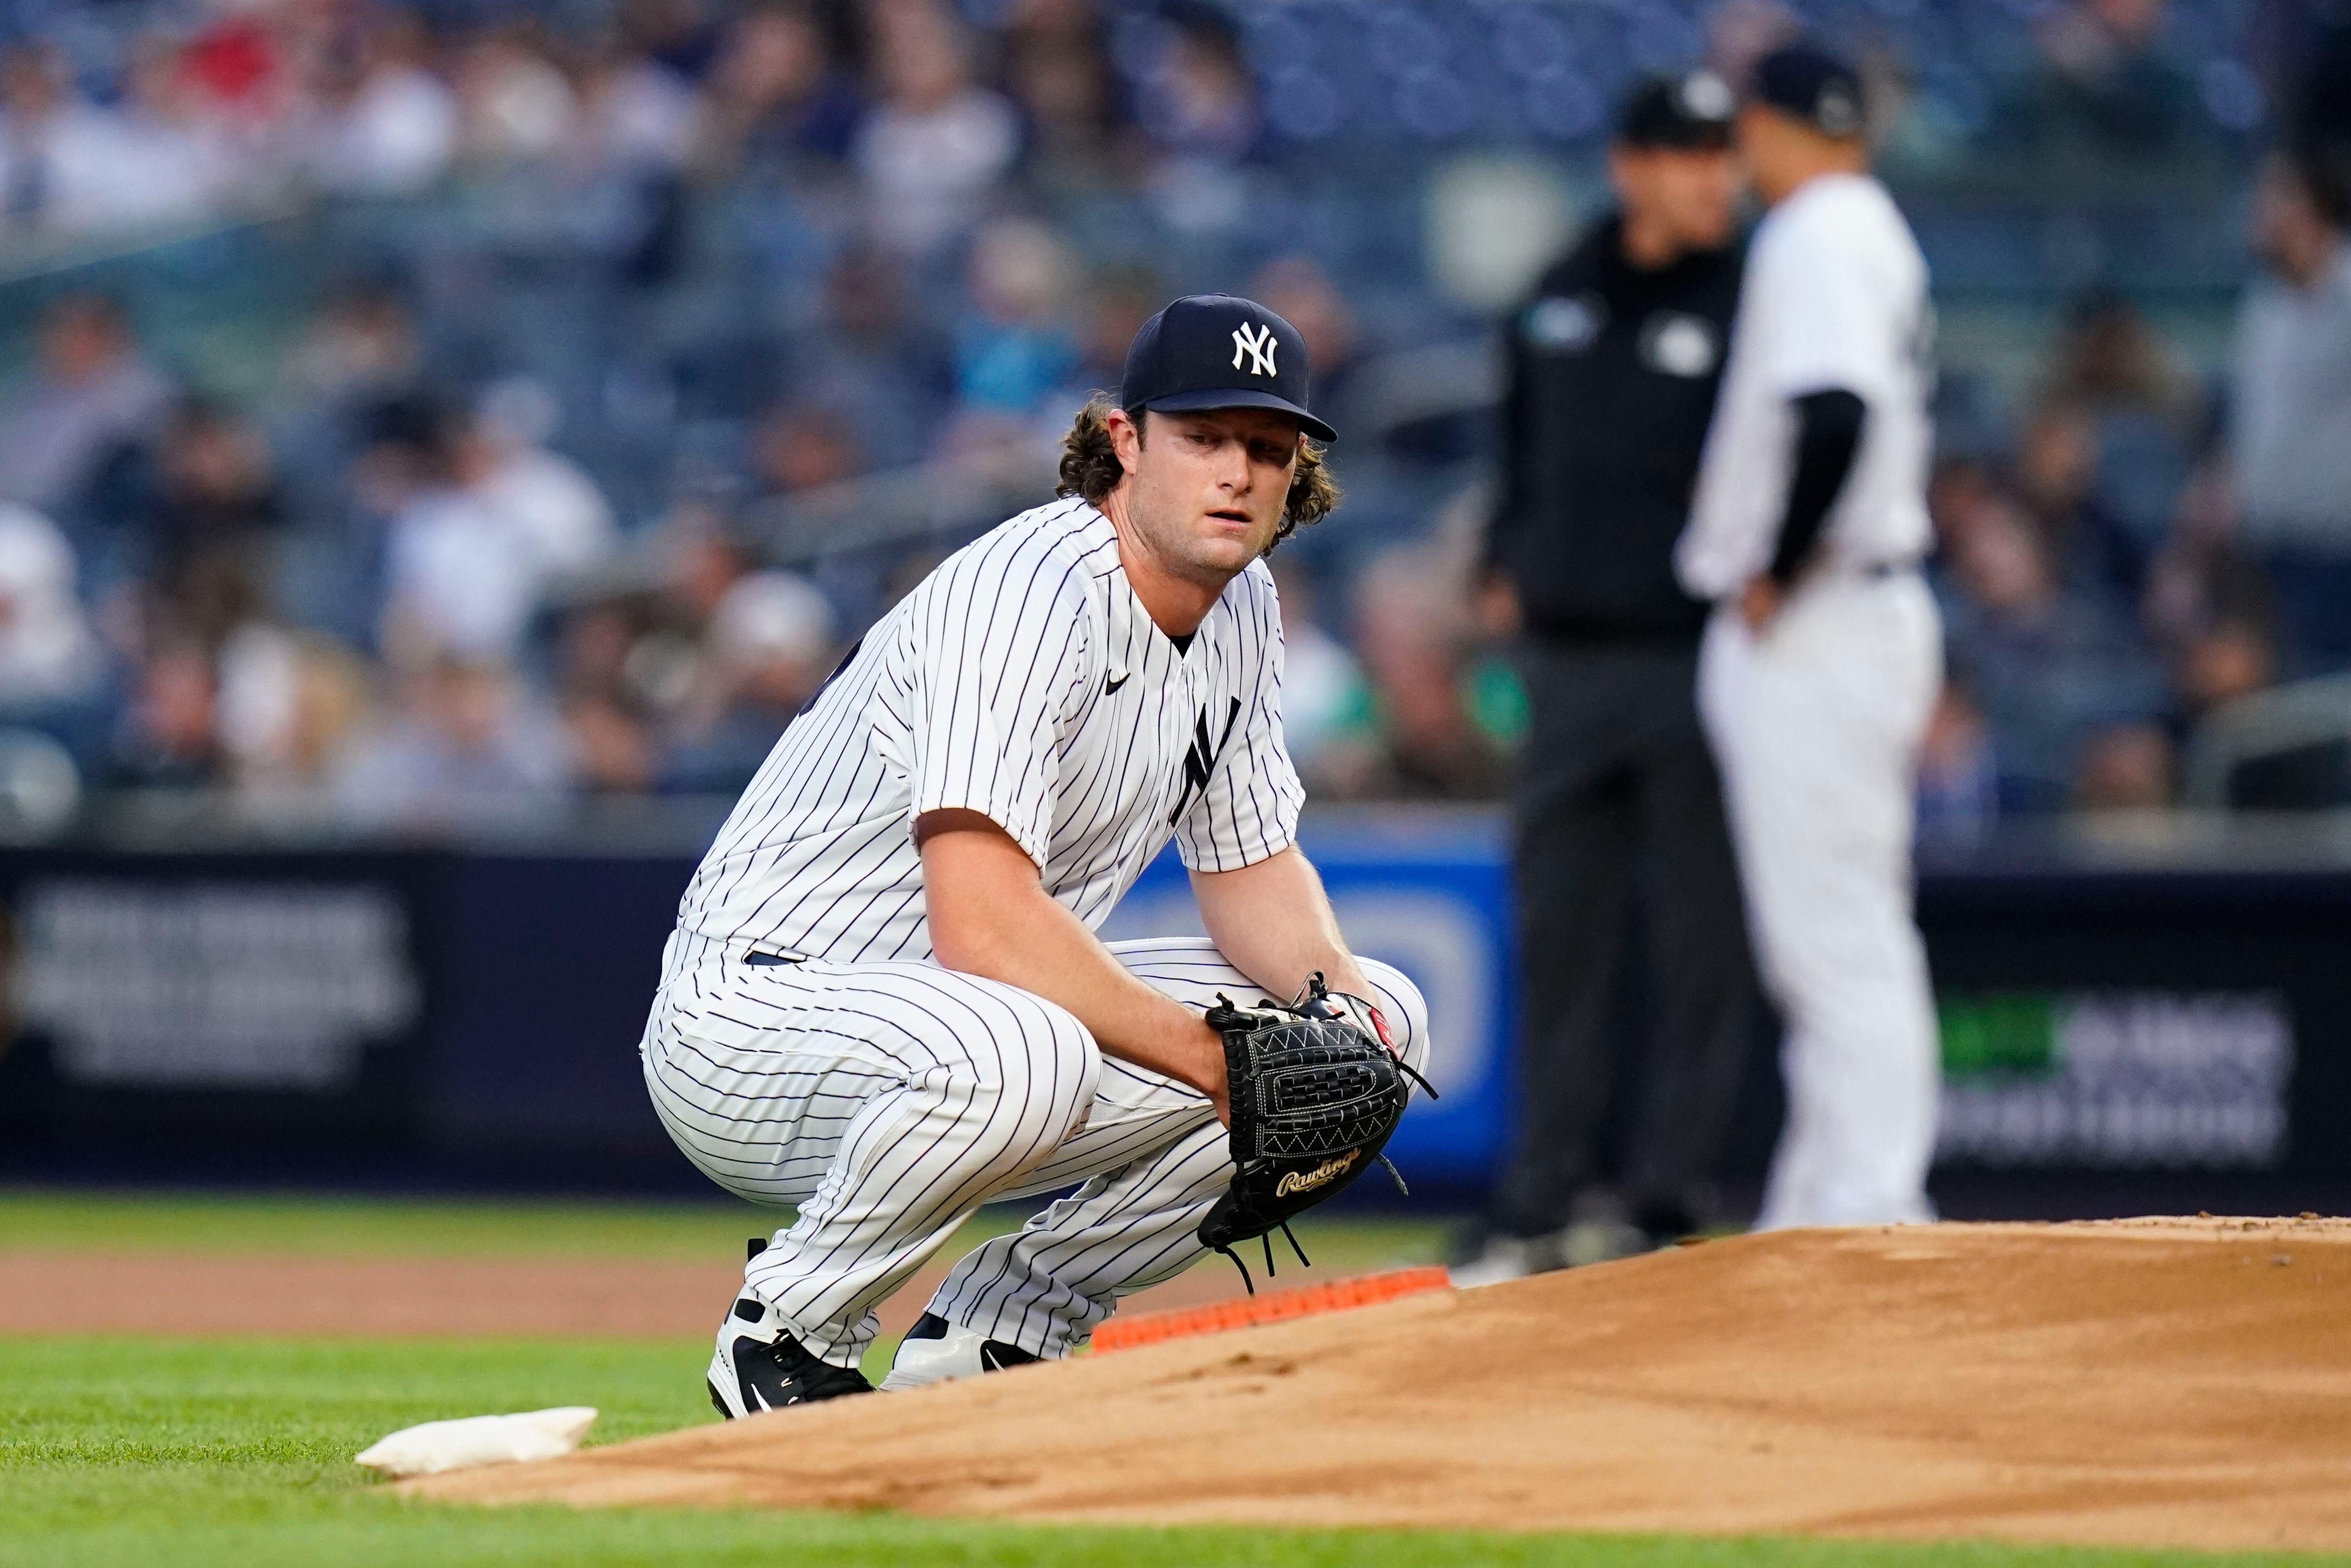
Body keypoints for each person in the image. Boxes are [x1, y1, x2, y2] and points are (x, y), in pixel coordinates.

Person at [641, 294, 1433, 1414]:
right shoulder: (1027, 595)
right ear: (1124, 441)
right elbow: (984, 926)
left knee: (1375, 1025)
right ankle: (789, 1330)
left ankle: (1002, 1330)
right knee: (1036, 1047)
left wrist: (1342, 1008)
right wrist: (1214, 1063)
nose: (1236, 473)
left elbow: (1251, 871)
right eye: (1202, 437)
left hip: (960, 1023)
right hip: (754, 1020)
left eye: (1264, 447)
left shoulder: (1243, 603)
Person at [1458, 71, 1761, 1285]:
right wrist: (1500, 556)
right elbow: (1521, 453)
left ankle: (1663, 1194)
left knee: (1698, 939)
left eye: (1721, 156)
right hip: (1566, 665)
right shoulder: (1557, 294)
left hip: (1698, 657)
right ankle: (1541, 1197)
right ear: (1628, 164)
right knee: (1559, 937)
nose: (1710, 179)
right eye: (1685, 155)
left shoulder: (1748, 300)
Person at [1677, 44, 1942, 1230]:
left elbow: (1833, 413)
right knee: (1839, 930)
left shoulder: (1816, 230)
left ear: (1767, 128)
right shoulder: (1863, 221)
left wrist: (1775, 574)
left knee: (1830, 939)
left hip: (1823, 612)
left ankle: (1865, 1203)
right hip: (1854, 605)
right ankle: (1829, 1197)